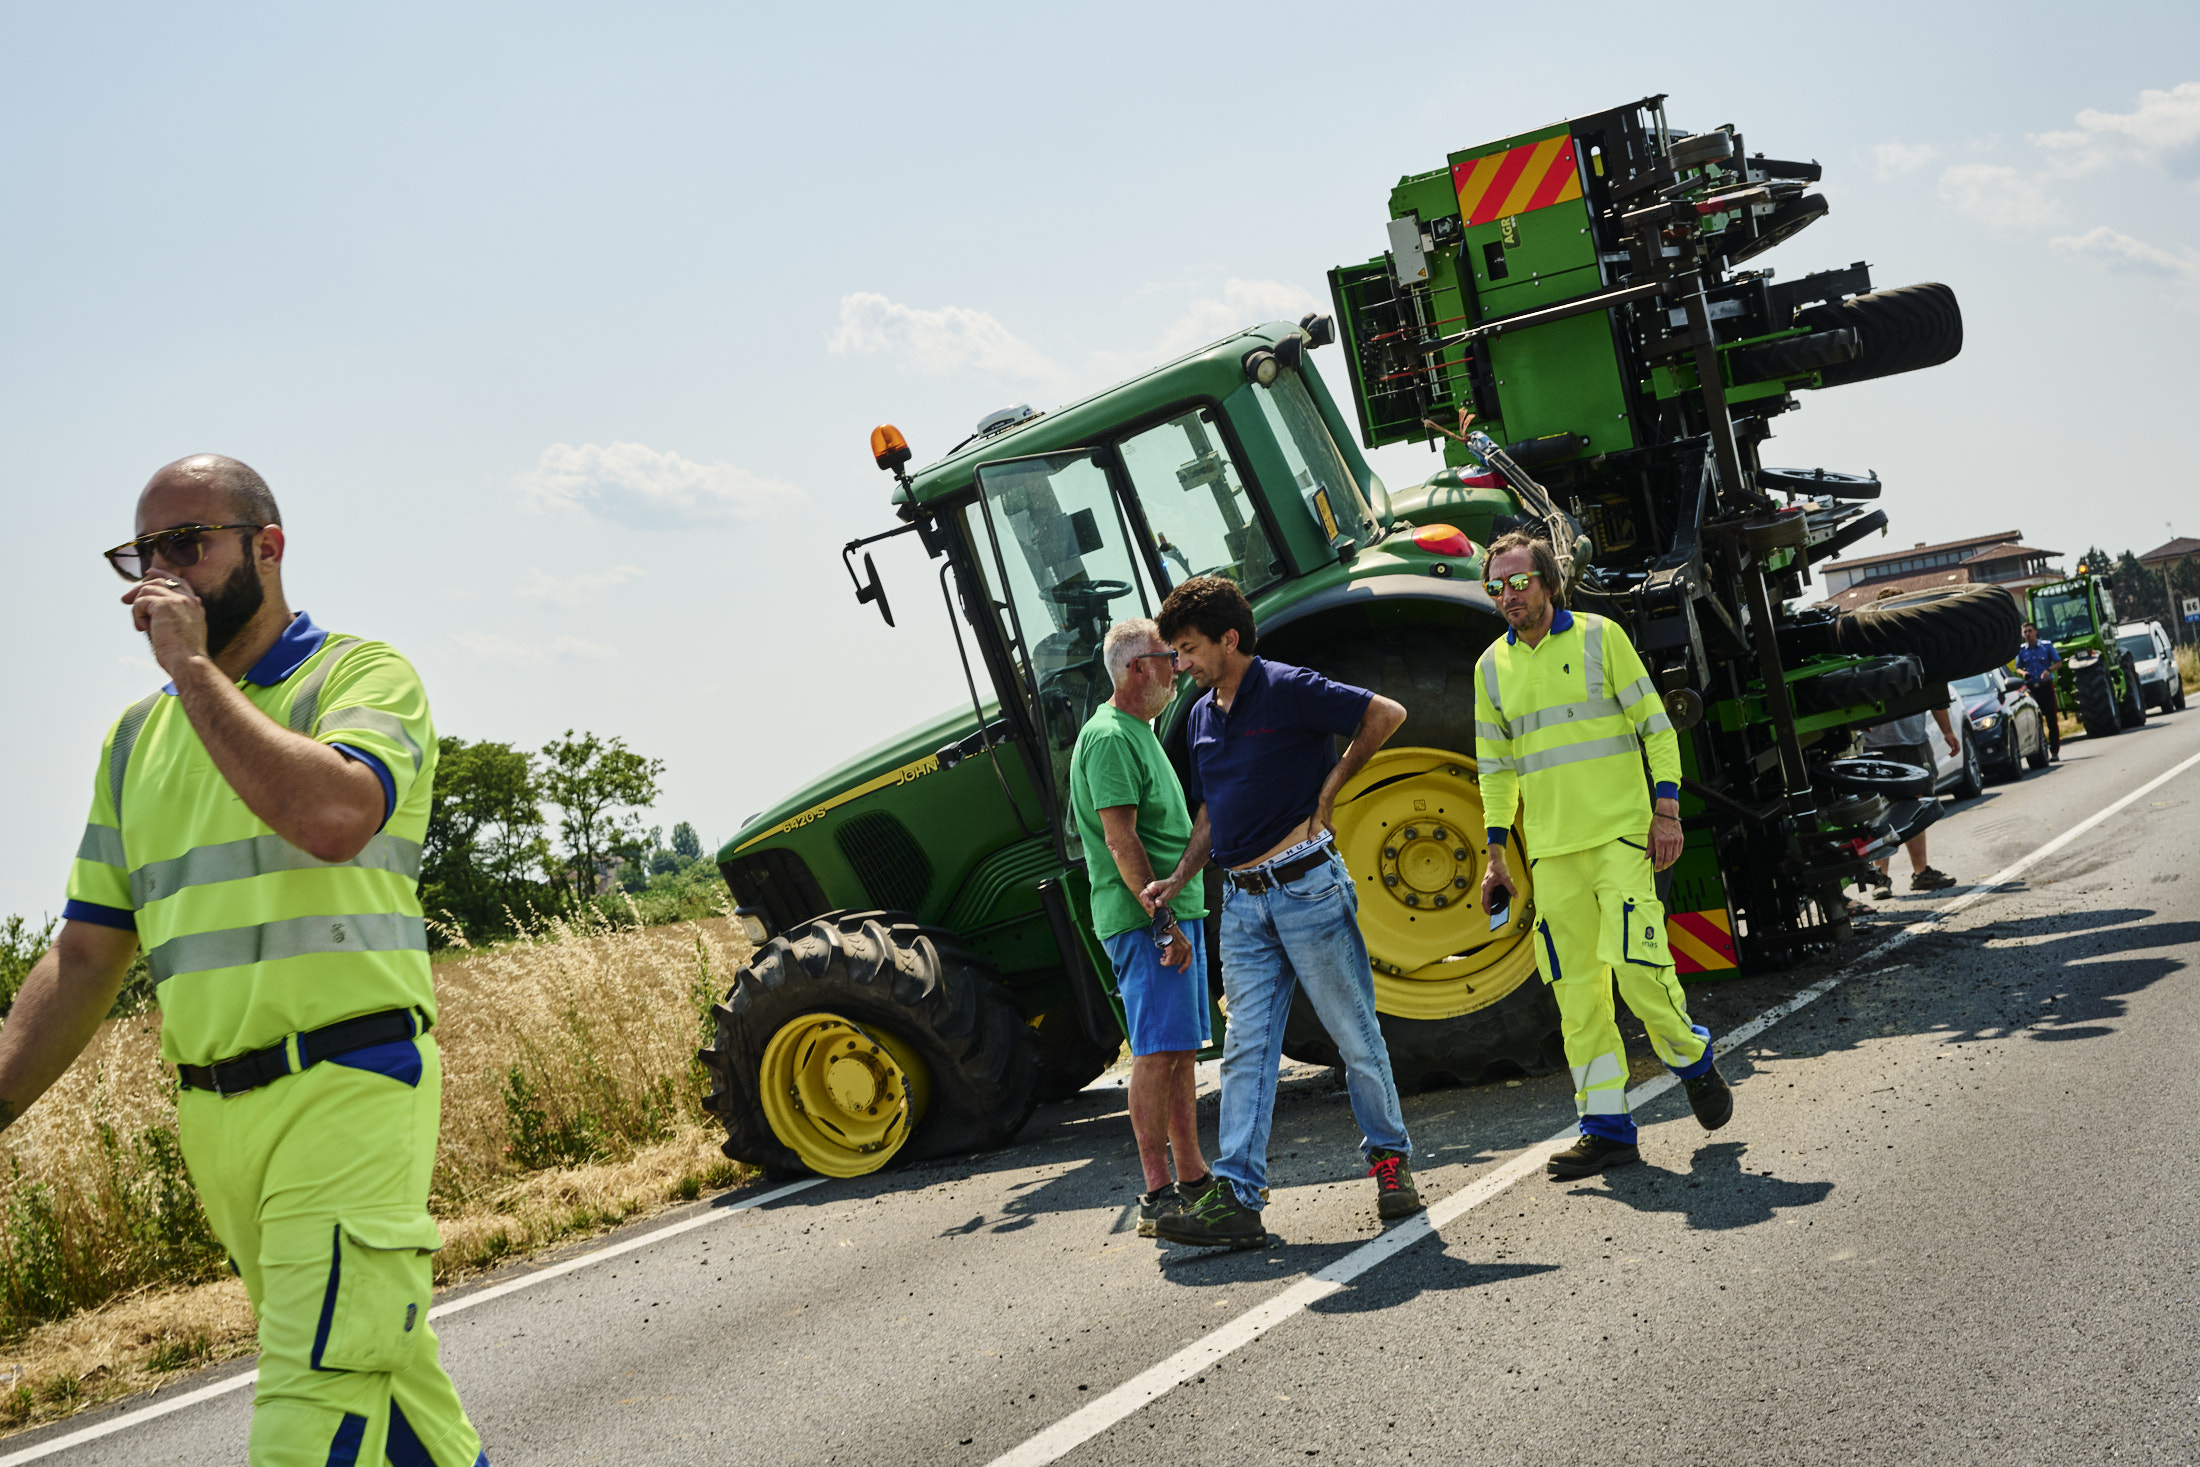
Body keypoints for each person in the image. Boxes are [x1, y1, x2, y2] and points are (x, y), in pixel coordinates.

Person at [0, 456, 489, 1467]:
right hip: (217, 1121)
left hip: (348, 1088)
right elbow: (87, 952)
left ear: (269, 547)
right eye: (144, 553)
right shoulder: (134, 743)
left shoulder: (358, 676)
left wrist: (192, 671)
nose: (161, 574)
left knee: (309, 1419)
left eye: (189, 543)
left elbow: (335, 815)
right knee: (393, 1407)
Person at [1142, 576, 1420, 1249]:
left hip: (1307, 887)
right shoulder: (1202, 716)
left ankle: (1391, 1164)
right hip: (1241, 904)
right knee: (1246, 1050)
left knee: (1353, 1035)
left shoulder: (1290, 685)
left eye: (1189, 649)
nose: (1181, 663)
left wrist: (1330, 789)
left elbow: (1386, 713)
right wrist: (1180, 875)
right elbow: (1213, 811)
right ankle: (1238, 1197)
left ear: (1228, 638)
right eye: (1175, 652)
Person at [1473, 532, 1733, 1181]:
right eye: (1496, 587)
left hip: (1621, 839)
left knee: (1639, 971)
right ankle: (1607, 1128)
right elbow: (1495, 769)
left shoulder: (1600, 637)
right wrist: (1496, 854)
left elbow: (1655, 727)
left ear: (1547, 581)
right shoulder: (1490, 669)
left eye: (1518, 582)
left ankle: (1692, 1058)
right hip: (1553, 855)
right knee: (1577, 998)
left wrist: (1666, 812)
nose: (1508, 595)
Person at [1068, 619, 1213, 1239]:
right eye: (1167, 656)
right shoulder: (1109, 738)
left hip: (1171, 917)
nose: (1177, 667)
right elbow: (1120, 839)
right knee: (1156, 1054)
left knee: (1179, 1051)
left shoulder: (1138, 731)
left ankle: (1194, 1177)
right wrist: (1162, 922)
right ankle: (1157, 1192)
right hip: (1145, 922)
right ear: (1136, 668)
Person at [1860, 701, 1961, 896]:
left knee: (1915, 806)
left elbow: (1934, 695)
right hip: (1874, 745)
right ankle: (1880, 878)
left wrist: (1948, 731)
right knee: (1877, 808)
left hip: (1914, 741)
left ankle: (1921, 873)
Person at [2013, 621, 2063, 762]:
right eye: (2025, 632)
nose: (2027, 634)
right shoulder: (2022, 650)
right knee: (2035, 721)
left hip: (2046, 687)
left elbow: (2058, 662)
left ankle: (2054, 752)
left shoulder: (2046, 646)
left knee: (2051, 720)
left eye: (2030, 631)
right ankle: (2040, 750)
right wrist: (2023, 673)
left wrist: (2048, 670)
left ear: (2036, 632)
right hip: (2031, 690)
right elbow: (2018, 668)